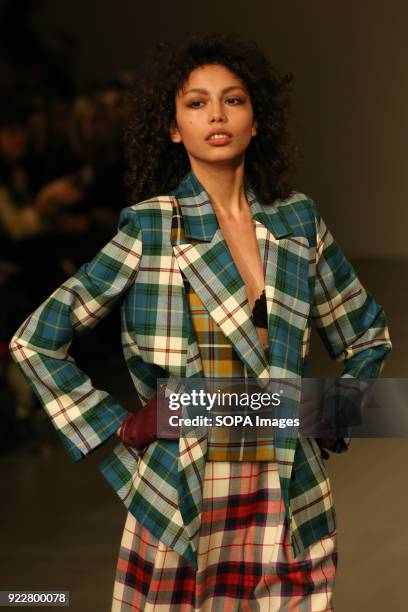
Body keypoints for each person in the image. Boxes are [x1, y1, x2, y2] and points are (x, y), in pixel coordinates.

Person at [9, 33, 392, 611]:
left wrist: (333, 410)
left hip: (289, 488)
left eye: (233, 100)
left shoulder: (297, 223)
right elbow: (35, 340)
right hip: (184, 488)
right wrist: (118, 426)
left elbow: (367, 334)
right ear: (172, 127)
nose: (216, 114)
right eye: (196, 103)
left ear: (256, 120)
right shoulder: (152, 227)